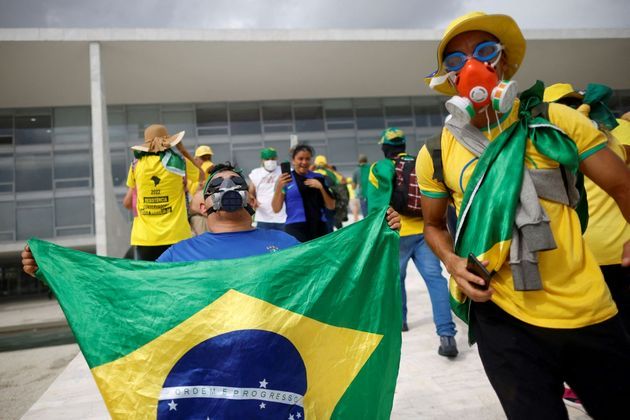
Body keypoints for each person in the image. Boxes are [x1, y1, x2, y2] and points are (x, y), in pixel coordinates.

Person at [418, 11, 630, 419]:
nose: (472, 67)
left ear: (505, 62)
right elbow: (431, 224)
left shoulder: (555, 122)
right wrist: (451, 261)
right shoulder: (436, 151)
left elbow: (623, 185)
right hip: (501, 314)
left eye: (484, 51)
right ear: (446, 79)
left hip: (585, 307)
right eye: (456, 62)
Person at [22, 164, 401, 266]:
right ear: (202, 207)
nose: (228, 189)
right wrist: (52, 267)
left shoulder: (287, 245)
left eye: (236, 183)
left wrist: (378, 234)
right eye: (216, 186)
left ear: (252, 202)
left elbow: (338, 268)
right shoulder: (176, 256)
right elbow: (122, 292)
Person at [544, 82, 630, 410]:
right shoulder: (612, 134)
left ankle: (582, 387)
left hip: (583, 254)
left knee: (590, 332)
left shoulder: (550, 142)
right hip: (621, 247)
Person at [367, 127, 457, 357]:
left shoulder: (380, 167)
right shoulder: (421, 162)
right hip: (427, 231)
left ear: (385, 148)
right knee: (436, 280)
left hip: (397, 232)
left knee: (396, 279)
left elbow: (376, 204)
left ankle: (401, 321)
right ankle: (447, 336)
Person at [126, 124, 202, 261]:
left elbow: (132, 191)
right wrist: (183, 150)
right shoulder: (180, 163)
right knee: (178, 279)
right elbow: (202, 176)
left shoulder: (135, 165)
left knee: (150, 280)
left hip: (145, 238)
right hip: (176, 235)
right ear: (169, 143)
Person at [271, 145, 336, 242]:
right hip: (295, 227)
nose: (304, 162)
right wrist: (279, 187)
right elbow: (276, 209)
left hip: (319, 227)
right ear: (293, 160)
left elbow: (331, 206)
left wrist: (321, 188)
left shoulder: (319, 177)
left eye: (307, 159)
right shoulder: (285, 180)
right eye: (300, 159)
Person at [248, 147, 287, 231]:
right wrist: (252, 198)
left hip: (283, 217)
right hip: (263, 218)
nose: (270, 161)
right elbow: (251, 192)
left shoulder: (283, 171)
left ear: (276, 158)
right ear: (262, 160)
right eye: (267, 159)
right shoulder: (256, 173)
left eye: (273, 159)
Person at [188, 145, 215, 235]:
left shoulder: (203, 169)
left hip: (200, 213)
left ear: (198, 158)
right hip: (210, 212)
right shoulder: (213, 168)